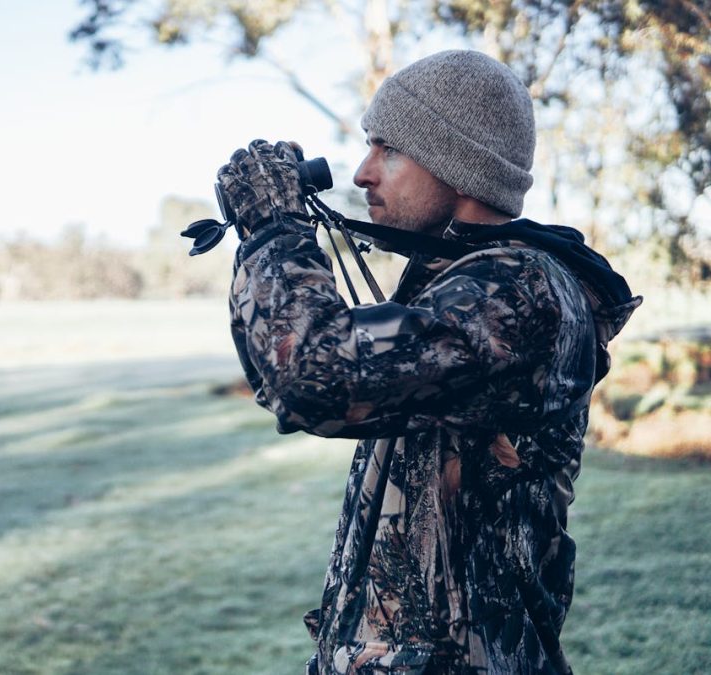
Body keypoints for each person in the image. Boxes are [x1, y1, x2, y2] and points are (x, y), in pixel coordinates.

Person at [216, 50, 641, 674]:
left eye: (387, 148)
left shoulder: (518, 290)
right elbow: (286, 376)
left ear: (459, 164)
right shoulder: (463, 284)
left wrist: (274, 230)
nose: (361, 174)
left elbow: (314, 379)